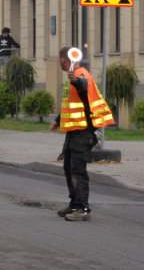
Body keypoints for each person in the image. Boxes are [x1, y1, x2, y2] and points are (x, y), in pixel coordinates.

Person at [48, 46, 114, 221]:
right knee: (68, 166)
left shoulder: (80, 75)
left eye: (59, 61)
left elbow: (83, 86)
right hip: (74, 130)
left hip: (84, 130)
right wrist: (58, 119)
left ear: (63, 60)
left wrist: (76, 81)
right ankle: (74, 203)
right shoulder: (75, 75)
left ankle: (83, 209)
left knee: (78, 169)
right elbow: (74, 102)